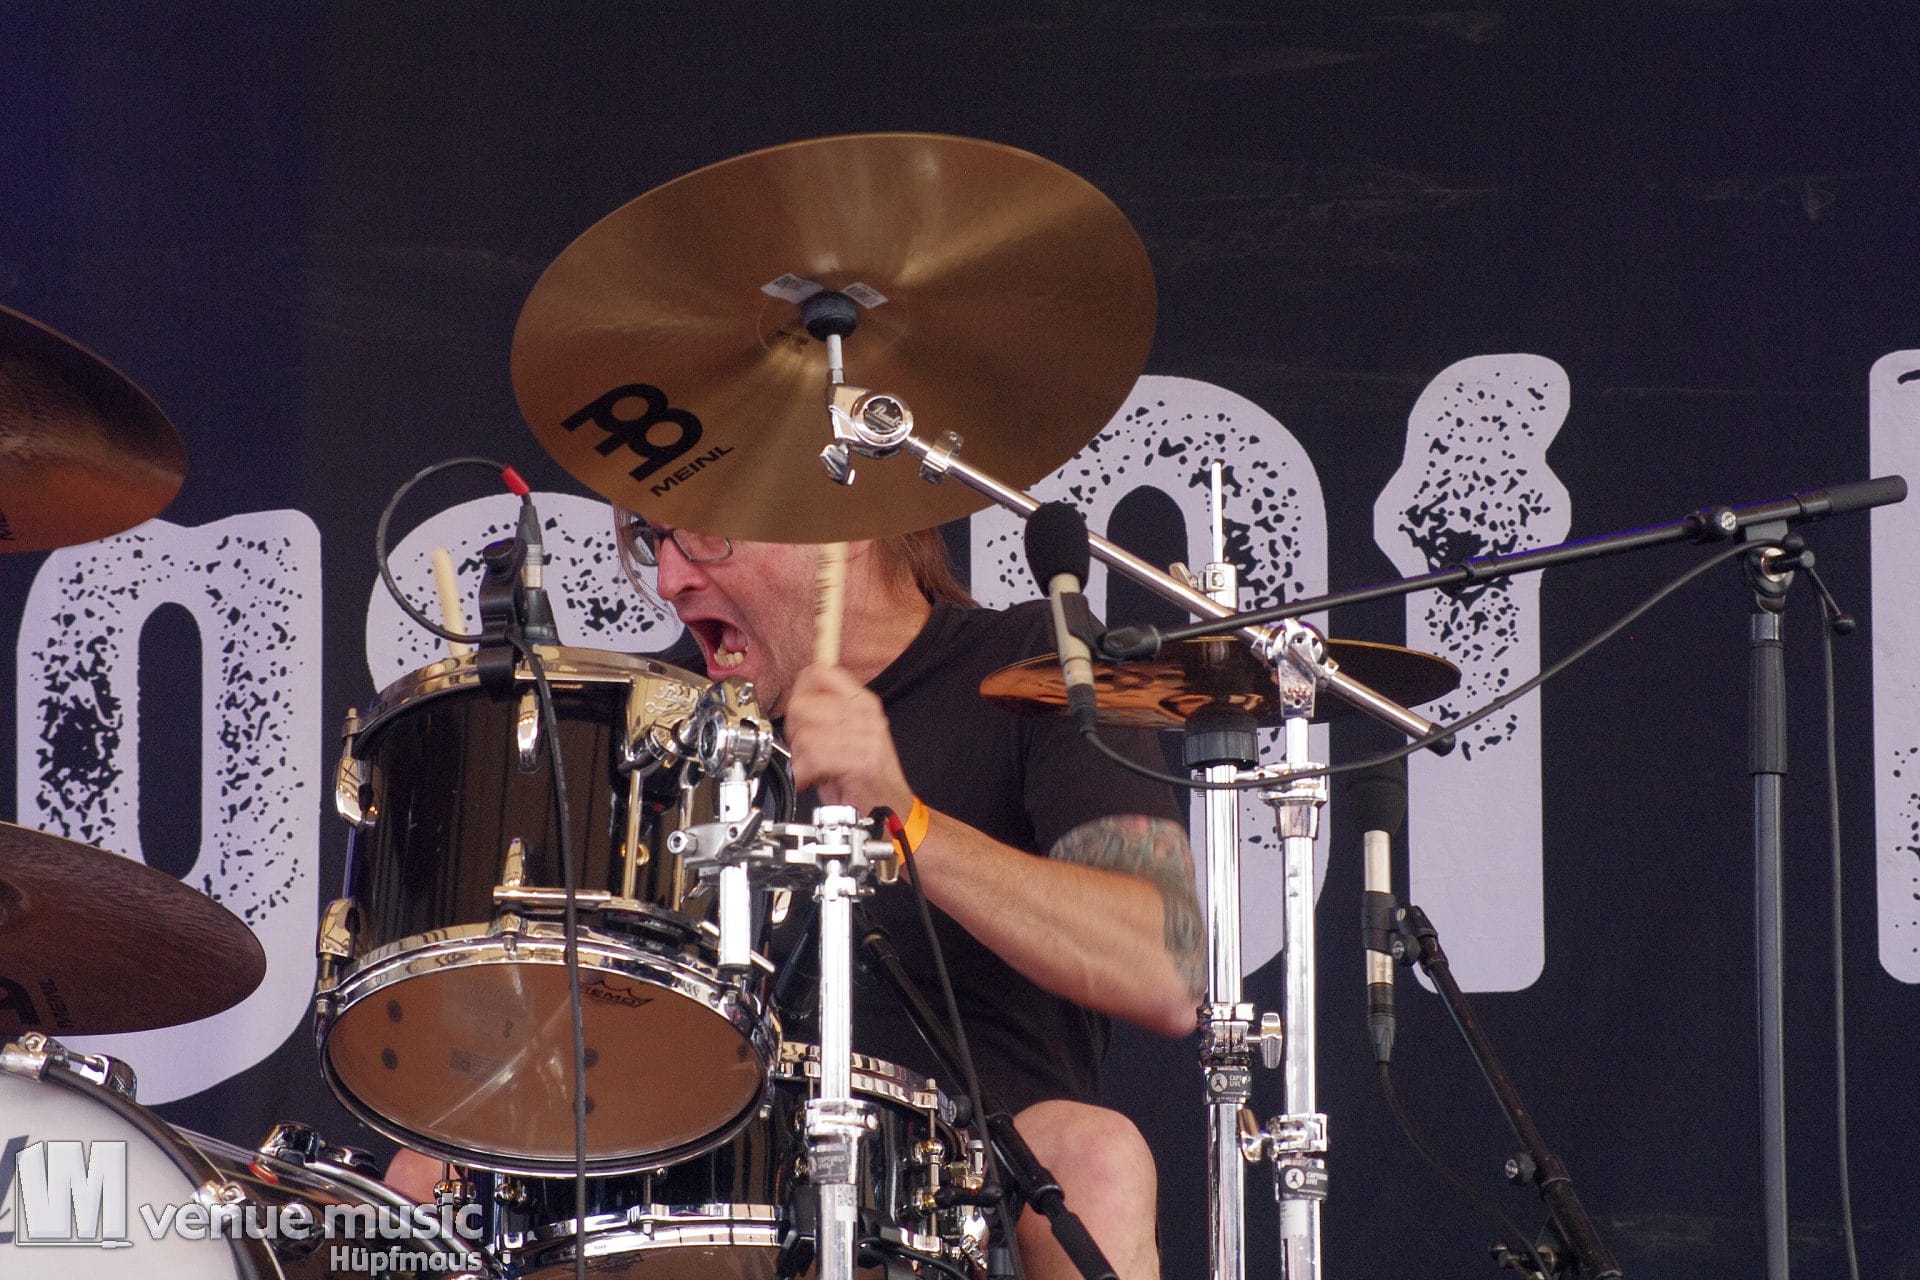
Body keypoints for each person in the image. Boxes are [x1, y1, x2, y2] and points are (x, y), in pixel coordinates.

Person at [392, 515, 1204, 1280]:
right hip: (689, 1182)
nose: (670, 579)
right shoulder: (654, 724)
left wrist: (907, 820)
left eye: (708, 537)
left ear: (839, 528)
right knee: (424, 1178)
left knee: (1097, 1159)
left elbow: (1164, 970)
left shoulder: (1037, 661)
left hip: (957, 1193)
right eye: (654, 538)